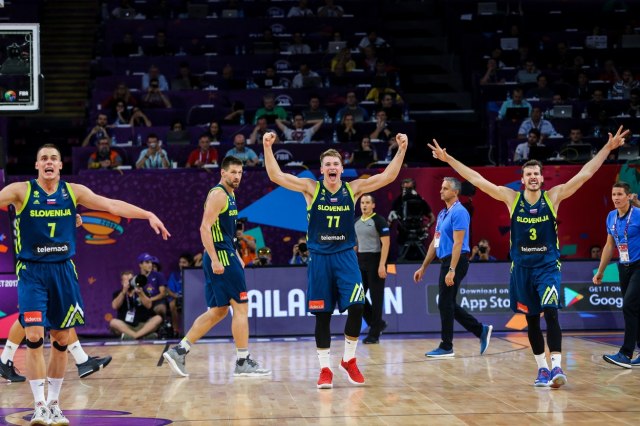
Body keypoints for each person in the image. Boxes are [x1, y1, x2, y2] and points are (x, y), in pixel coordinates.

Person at [427, 125, 629, 387]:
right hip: (521, 269)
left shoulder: (553, 197)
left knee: (551, 312)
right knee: (532, 319)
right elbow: (477, 179)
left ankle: (557, 367)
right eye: (529, 174)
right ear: (522, 179)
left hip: (547, 267)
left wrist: (607, 148)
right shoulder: (511, 199)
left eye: (536, 174)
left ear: (542, 178)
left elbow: (585, 173)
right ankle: (542, 369)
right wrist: (449, 160)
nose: (533, 177)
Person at [0, 143, 169, 424]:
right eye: (44, 158)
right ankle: (39, 405)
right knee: (34, 336)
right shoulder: (21, 191)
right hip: (32, 271)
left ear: (60, 165)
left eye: (54, 158)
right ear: (37, 165)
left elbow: (111, 205)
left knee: (61, 339)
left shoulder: (73, 192)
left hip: (63, 271)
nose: (49, 162)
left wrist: (148, 214)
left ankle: (54, 404)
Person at [262, 131, 408, 389]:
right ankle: (325, 369)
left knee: (358, 306)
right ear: (322, 170)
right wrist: (266, 146)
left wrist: (401, 149)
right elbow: (276, 175)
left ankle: (349, 359)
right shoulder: (311, 188)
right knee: (323, 316)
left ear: (342, 169)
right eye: (327, 164)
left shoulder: (353, 189)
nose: (332, 167)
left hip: (346, 256)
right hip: (319, 258)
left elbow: (388, 176)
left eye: (336, 164)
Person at [164, 156, 271, 378]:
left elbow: (225, 232)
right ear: (222, 172)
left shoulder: (230, 194)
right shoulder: (219, 194)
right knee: (241, 308)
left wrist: (237, 253)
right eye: (233, 172)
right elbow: (204, 228)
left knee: (218, 311)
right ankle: (242, 361)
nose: (237, 176)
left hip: (225, 254)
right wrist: (215, 258)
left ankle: (179, 350)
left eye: (240, 173)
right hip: (220, 257)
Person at [413, 177, 493, 358]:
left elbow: (458, 243)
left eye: (445, 188)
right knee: (446, 302)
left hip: (456, 261)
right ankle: (480, 330)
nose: (441, 191)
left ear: (455, 192)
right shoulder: (443, 214)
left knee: (444, 302)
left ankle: (447, 345)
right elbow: (435, 243)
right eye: (441, 188)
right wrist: (423, 267)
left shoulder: (460, 212)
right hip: (446, 261)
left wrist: (452, 269)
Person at [593, 182, 640, 368]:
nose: (616, 198)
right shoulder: (611, 216)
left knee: (628, 306)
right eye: (613, 194)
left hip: (639, 266)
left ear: (628, 196)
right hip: (624, 267)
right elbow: (609, 245)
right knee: (635, 309)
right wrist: (601, 270)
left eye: (620, 194)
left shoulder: (638, 214)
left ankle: (625, 353)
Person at [354, 194, 390, 344]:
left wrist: (382, 264)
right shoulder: (356, 222)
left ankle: (374, 335)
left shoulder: (379, 220)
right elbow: (356, 244)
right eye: (362, 203)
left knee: (376, 299)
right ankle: (377, 323)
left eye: (368, 203)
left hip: (376, 261)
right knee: (357, 297)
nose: (364, 205)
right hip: (361, 261)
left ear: (373, 205)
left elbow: (386, 244)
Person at [388, 178, 435, 262]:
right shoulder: (398, 201)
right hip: (403, 237)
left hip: (418, 236)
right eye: (404, 188)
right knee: (401, 263)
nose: (406, 191)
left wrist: (426, 227)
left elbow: (432, 218)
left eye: (409, 189)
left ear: (414, 188)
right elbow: (390, 220)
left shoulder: (420, 200)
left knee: (424, 262)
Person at [109, 270, 163, 340]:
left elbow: (149, 306)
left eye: (130, 280)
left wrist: (141, 293)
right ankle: (141, 336)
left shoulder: (142, 291)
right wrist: (123, 292)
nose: (129, 282)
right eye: (126, 280)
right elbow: (115, 306)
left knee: (158, 318)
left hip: (143, 325)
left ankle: (132, 336)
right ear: (122, 282)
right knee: (113, 322)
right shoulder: (118, 293)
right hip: (126, 326)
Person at [167, 253, 193, 337]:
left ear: (189, 263)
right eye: (180, 262)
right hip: (177, 297)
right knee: (172, 304)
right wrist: (177, 296)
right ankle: (176, 330)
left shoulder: (193, 274)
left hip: (190, 298)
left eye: (184, 262)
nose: (181, 264)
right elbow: (169, 290)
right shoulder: (174, 275)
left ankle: (192, 330)